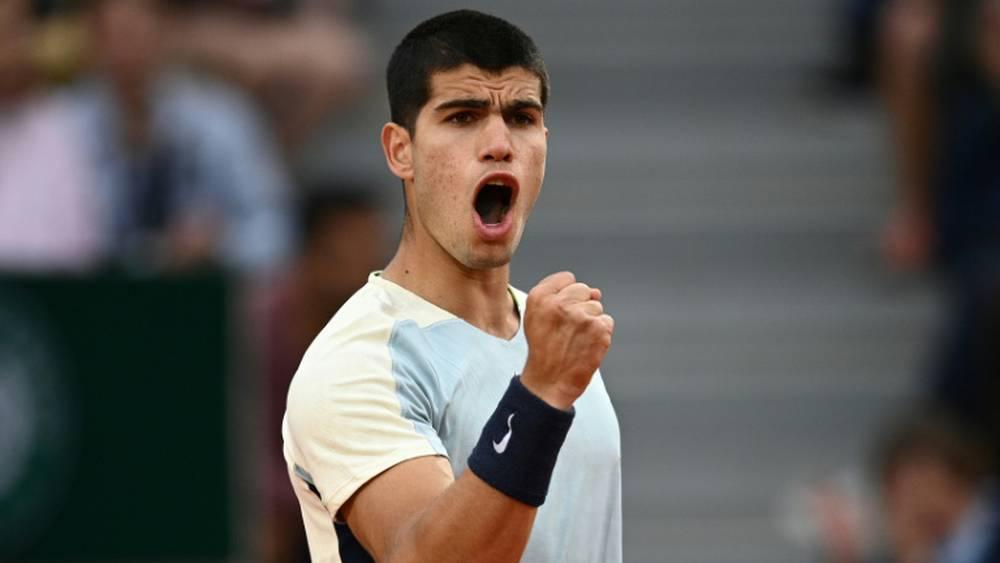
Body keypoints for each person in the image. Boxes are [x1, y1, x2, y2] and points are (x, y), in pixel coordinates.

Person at [281, 10, 622, 563]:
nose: (498, 142)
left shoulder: (554, 347)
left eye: (521, 116)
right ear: (400, 150)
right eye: (463, 117)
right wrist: (540, 394)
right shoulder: (357, 362)